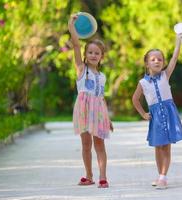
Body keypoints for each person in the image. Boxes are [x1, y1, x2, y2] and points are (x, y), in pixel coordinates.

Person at [132, 34, 182, 189]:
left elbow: (175, 58)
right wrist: (143, 113)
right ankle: (159, 174)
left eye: (160, 59)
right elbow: (135, 99)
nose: (157, 61)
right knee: (157, 146)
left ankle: (163, 176)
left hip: (168, 114)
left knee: (166, 146)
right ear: (147, 63)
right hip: (155, 116)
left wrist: (178, 42)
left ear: (163, 63)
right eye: (153, 59)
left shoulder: (165, 75)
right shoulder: (142, 83)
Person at [68, 14, 113, 188]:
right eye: (90, 52)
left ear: (102, 56)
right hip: (83, 110)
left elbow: (102, 98)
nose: (93, 55)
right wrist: (71, 26)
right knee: (86, 144)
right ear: (86, 54)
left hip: (99, 112)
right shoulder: (81, 69)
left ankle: (103, 176)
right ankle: (89, 175)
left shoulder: (102, 76)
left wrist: (108, 118)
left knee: (99, 144)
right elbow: (76, 44)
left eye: (97, 53)